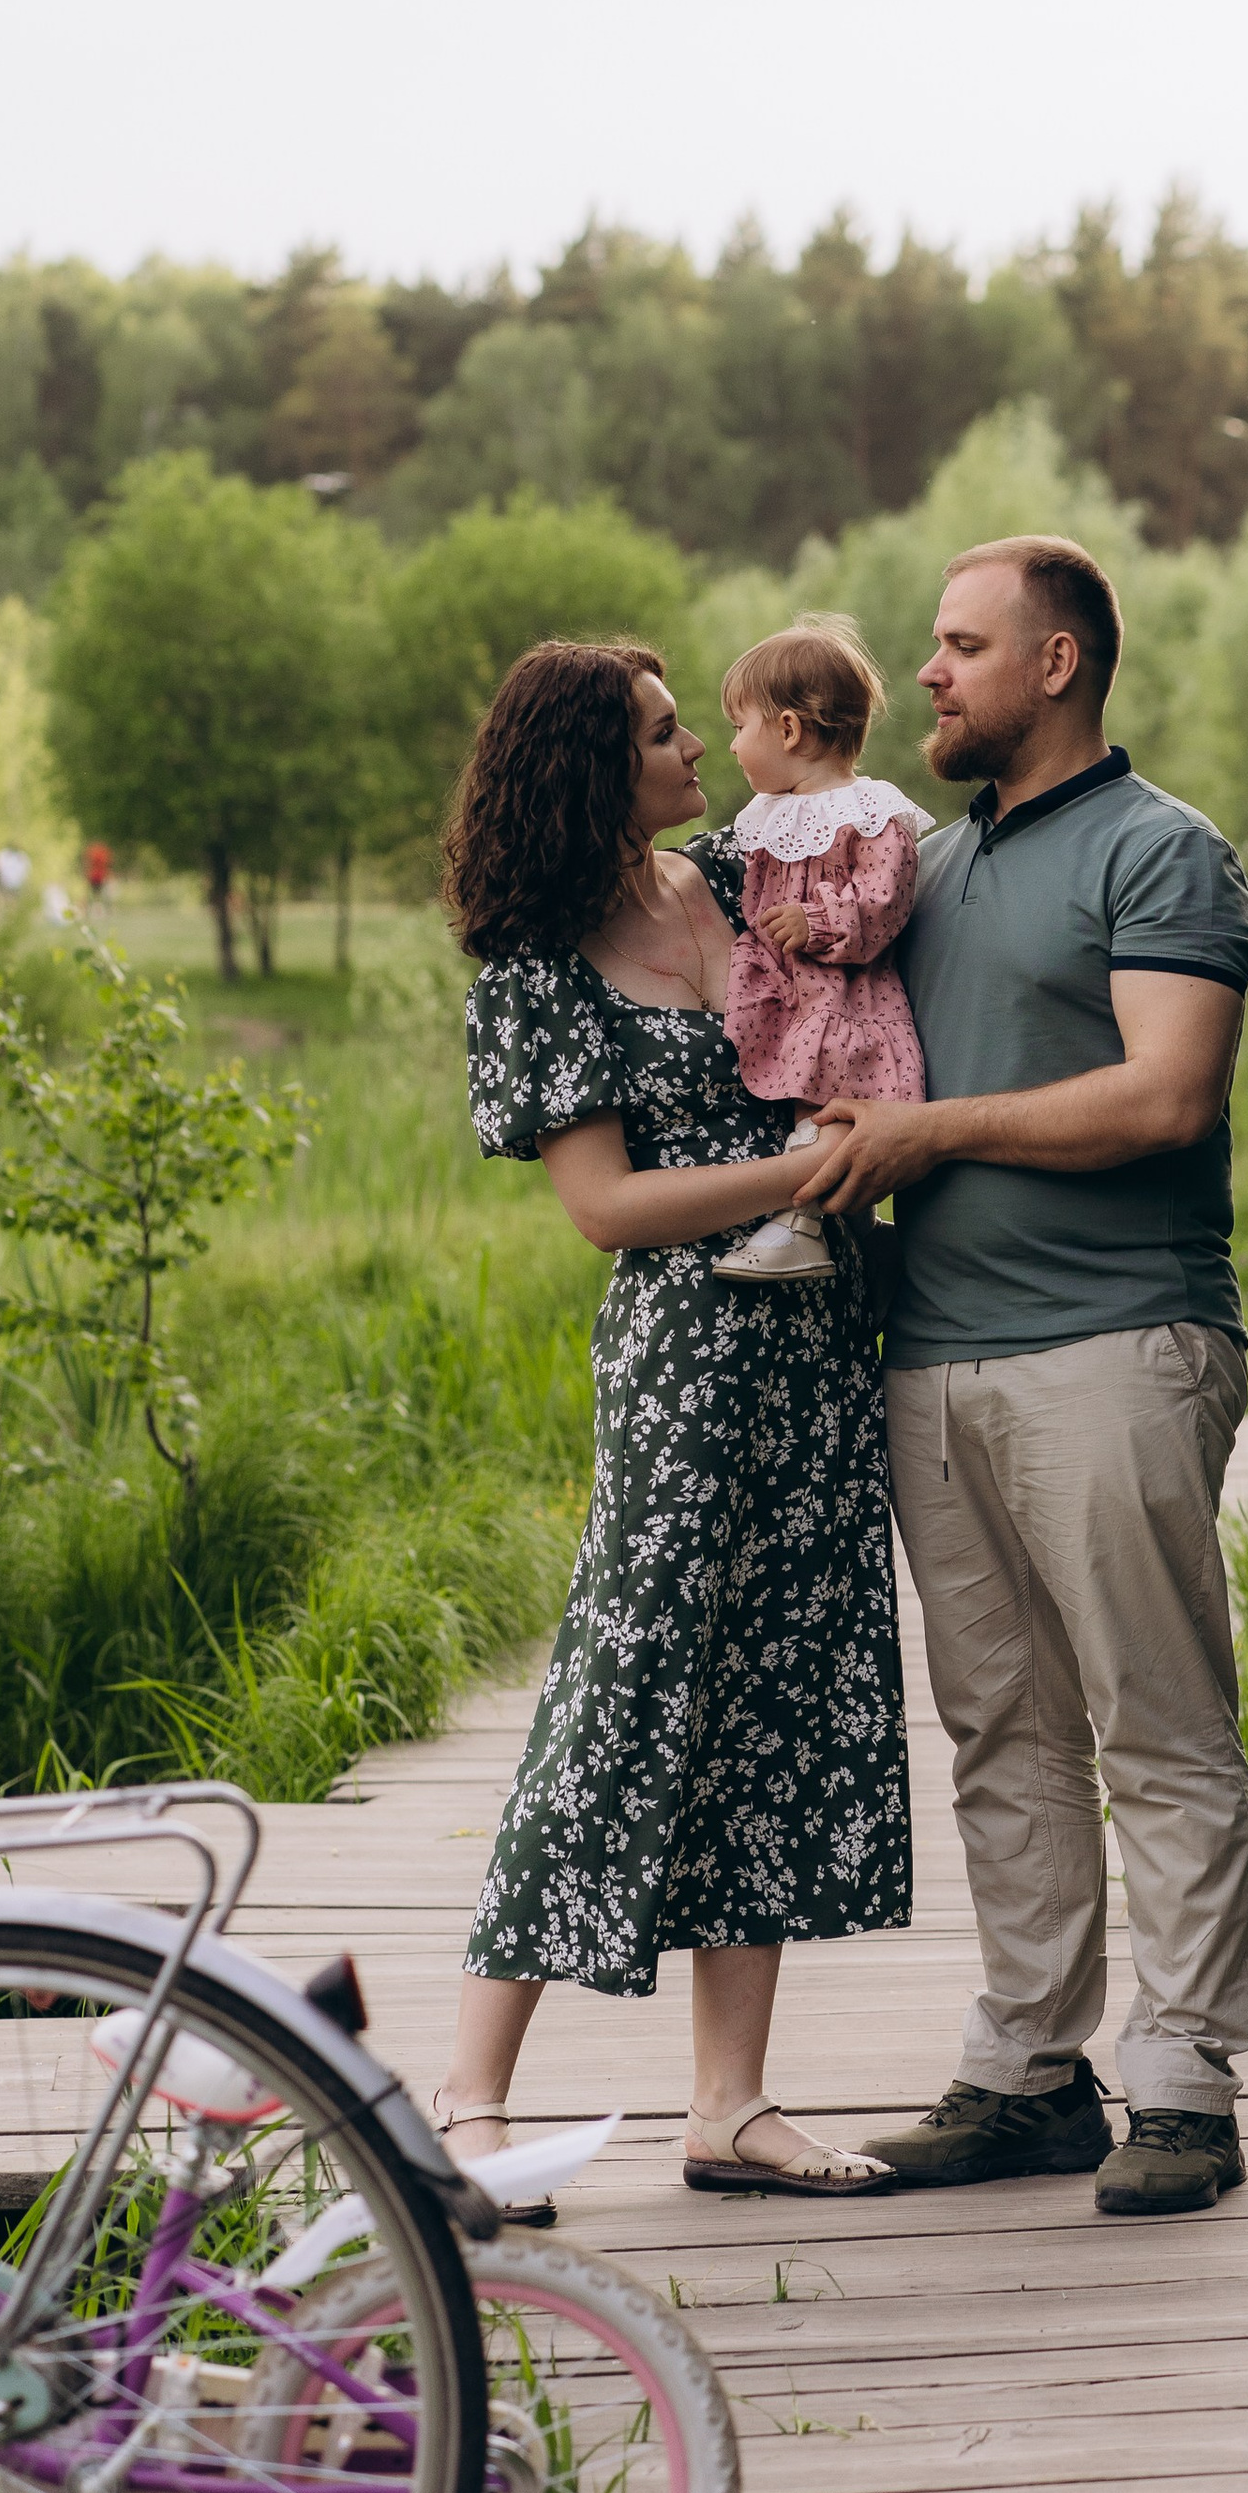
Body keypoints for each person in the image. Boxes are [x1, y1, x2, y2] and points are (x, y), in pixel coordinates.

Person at [815, 535, 1248, 2219]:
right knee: (999, 1730)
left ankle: (1185, 2087)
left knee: (1152, 1722)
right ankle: (1029, 2073)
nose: (925, 673)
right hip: (929, 1360)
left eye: (958, 644)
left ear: (1056, 663)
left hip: (1118, 1340)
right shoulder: (920, 868)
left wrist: (928, 1133)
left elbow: (1166, 1098)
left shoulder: (1162, 854)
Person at [438, 637, 910, 2201]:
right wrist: (809, 1170)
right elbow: (609, 1208)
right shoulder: (537, 968)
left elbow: (860, 848)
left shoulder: (728, 881)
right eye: (660, 735)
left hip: (821, 1354)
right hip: (690, 1362)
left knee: (779, 1699)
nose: (696, 753)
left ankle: (733, 2104)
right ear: (592, 768)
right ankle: (469, 2097)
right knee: (623, 1695)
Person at [710, 616, 925, 1284]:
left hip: (846, 999)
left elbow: (885, 899)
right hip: (797, 997)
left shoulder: (866, 812)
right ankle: (859, 1244)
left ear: (789, 730)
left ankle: (801, 1225)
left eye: (739, 727)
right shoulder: (770, 816)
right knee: (805, 1103)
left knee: (830, 1109)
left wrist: (818, 921)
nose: (731, 746)